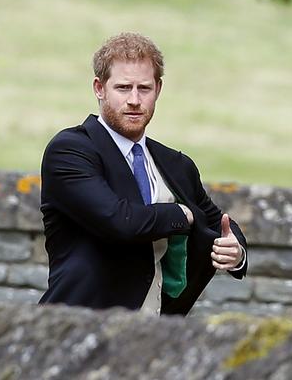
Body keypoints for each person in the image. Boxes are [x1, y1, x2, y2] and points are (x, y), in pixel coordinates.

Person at [39, 32, 247, 315]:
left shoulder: (176, 164)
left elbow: (217, 221)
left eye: (144, 88)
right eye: (123, 88)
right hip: (77, 327)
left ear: (158, 89)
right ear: (99, 88)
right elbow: (119, 221)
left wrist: (235, 251)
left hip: (156, 333)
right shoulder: (70, 151)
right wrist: (181, 215)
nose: (135, 100)